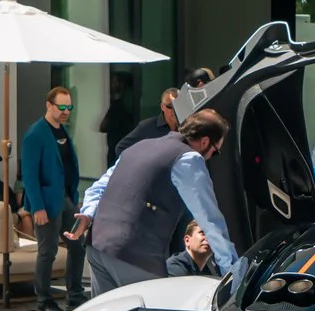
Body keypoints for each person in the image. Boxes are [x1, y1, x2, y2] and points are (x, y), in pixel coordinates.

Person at [81, 110, 238, 295]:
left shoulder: (139, 146)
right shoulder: (189, 159)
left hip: (97, 245)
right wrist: (231, 271)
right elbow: (209, 219)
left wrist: (87, 214)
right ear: (204, 142)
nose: (212, 156)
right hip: (134, 255)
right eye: (215, 151)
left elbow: (98, 187)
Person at [20, 85, 87, 311]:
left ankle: (75, 295)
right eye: (62, 107)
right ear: (49, 105)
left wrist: (74, 197)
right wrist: (37, 206)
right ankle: (44, 300)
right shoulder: (36, 134)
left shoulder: (63, 131)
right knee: (47, 251)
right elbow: (29, 175)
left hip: (66, 198)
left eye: (69, 107)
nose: (66, 111)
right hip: (46, 202)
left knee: (78, 246)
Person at [111, 86, 182, 164]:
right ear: (162, 107)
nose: (175, 110)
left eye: (178, 105)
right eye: (170, 106)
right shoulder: (147, 126)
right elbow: (121, 148)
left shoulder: (188, 126)